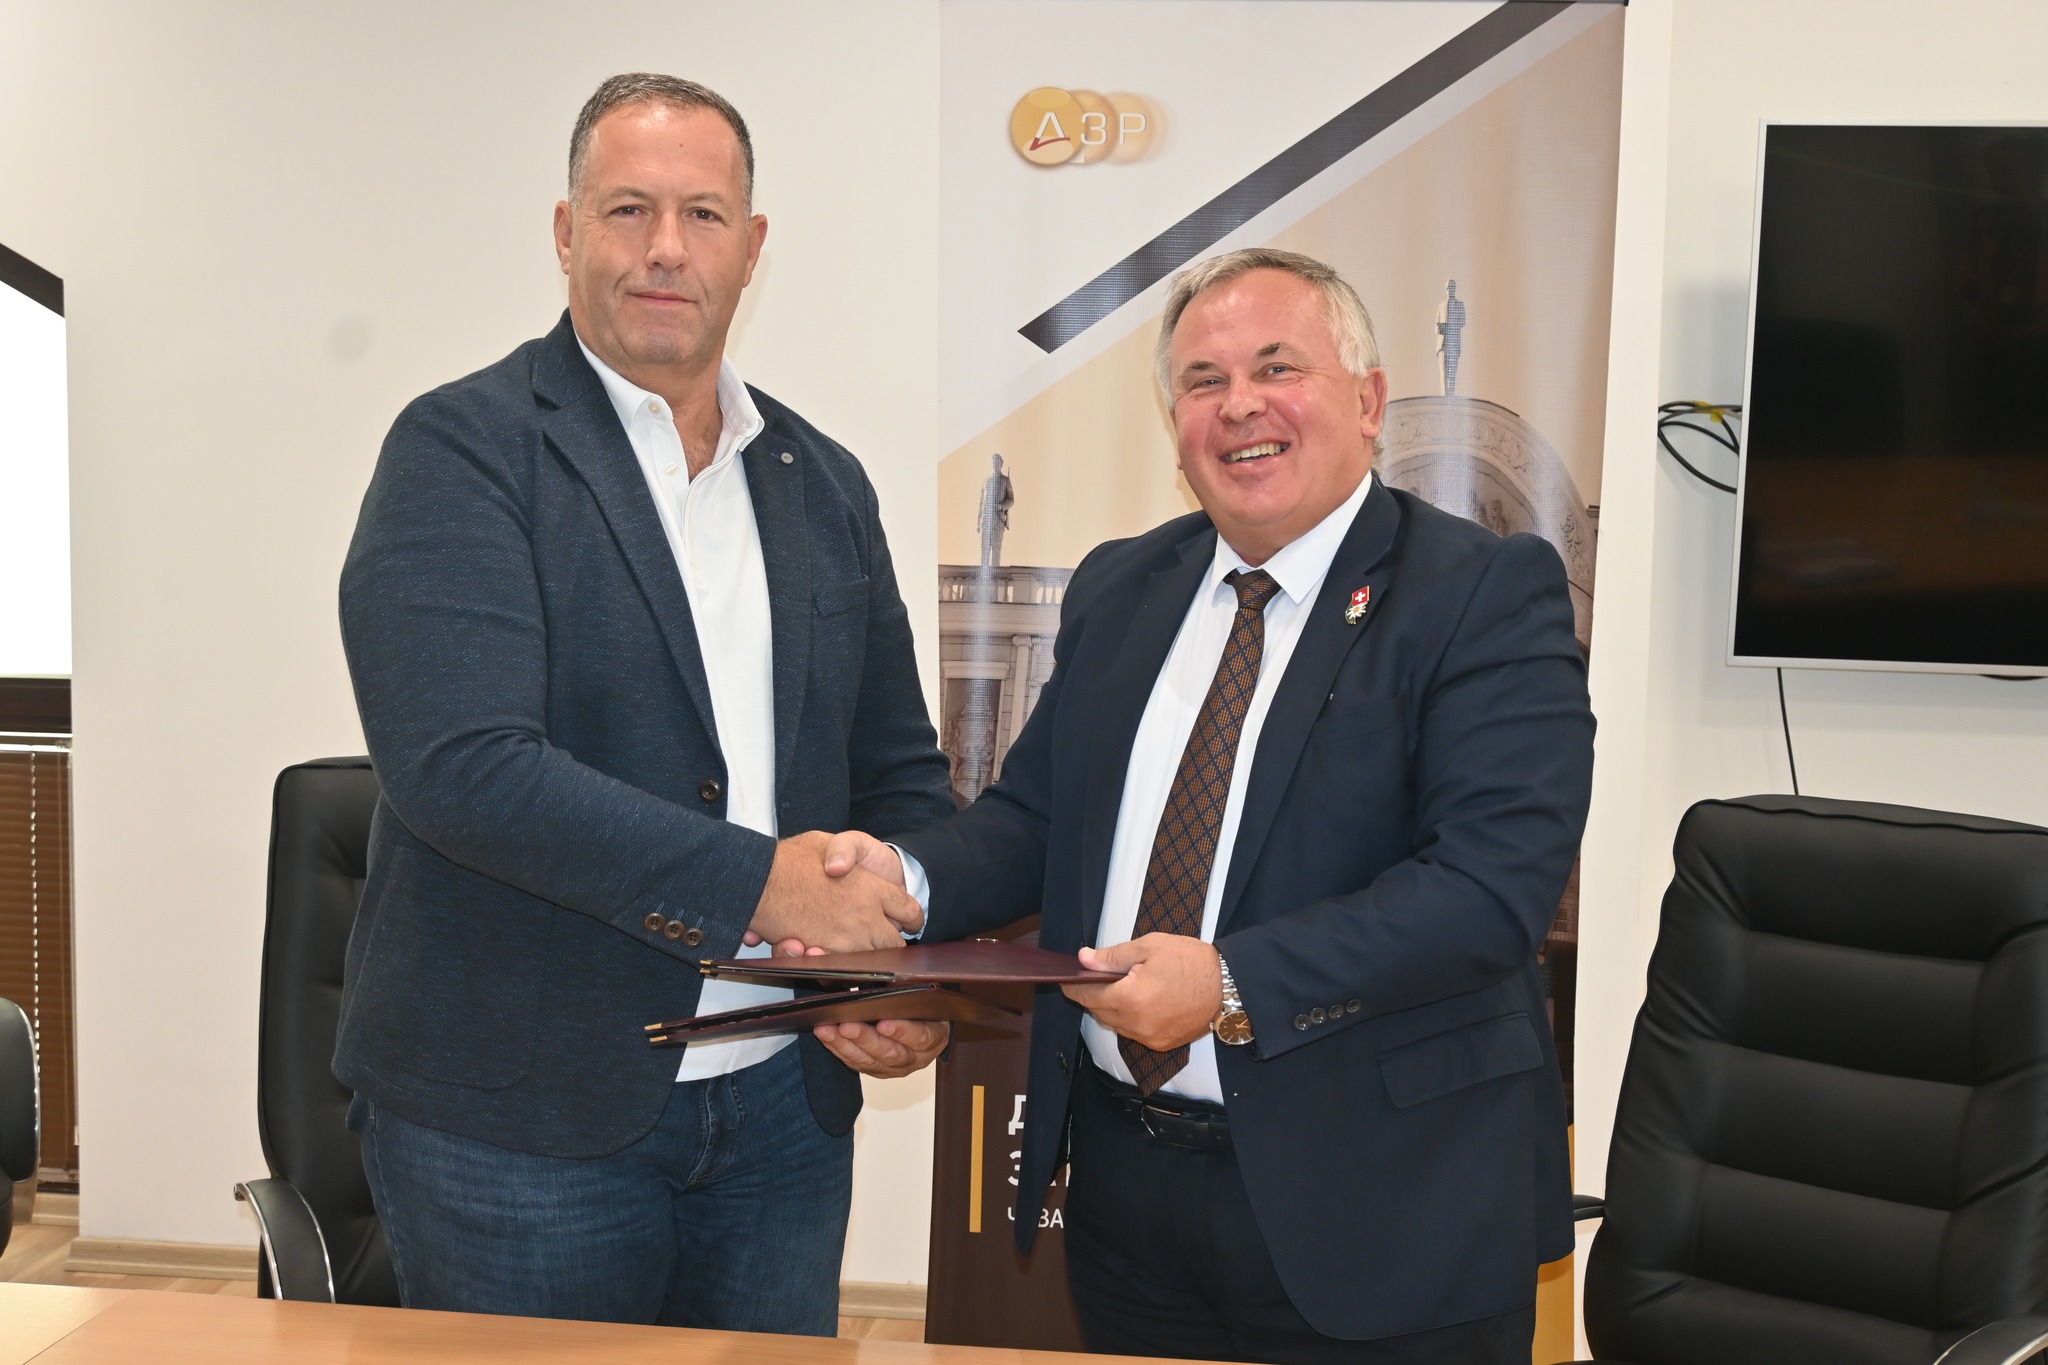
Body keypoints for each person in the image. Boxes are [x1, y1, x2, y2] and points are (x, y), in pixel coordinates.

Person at [826, 248, 1595, 1363]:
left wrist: (1229, 984)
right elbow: (1036, 822)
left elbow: (1486, 890)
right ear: (1175, 425)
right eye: (1202, 381)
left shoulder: (1480, 591)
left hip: (1385, 1204)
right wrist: (900, 882)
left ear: (1367, 401)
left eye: (1277, 367)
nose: (1238, 406)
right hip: (1129, 1204)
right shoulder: (1121, 585)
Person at [334, 73, 952, 1333]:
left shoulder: (823, 482)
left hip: (784, 1109)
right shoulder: (461, 449)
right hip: (519, 1121)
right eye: (627, 209)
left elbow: (897, 771)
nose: (666, 248)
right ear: (567, 233)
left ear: (751, 247)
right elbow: (464, 768)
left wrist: (903, 969)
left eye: (702, 214)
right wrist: (763, 886)